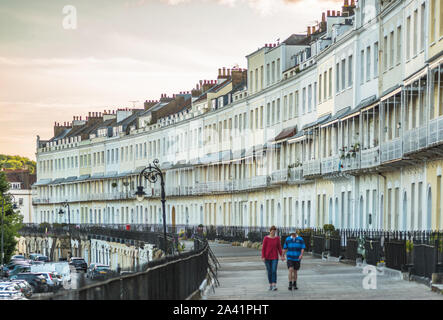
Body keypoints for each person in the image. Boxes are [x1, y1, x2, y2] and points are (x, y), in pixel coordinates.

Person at [261, 226, 284, 291]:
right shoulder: (266, 238)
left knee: (274, 271)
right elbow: (263, 249)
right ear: (270, 231)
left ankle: (274, 285)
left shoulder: (277, 238)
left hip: (274, 257)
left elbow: (279, 248)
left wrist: (282, 256)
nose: (273, 232)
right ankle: (270, 284)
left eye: (274, 231)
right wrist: (263, 257)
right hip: (267, 257)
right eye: (272, 231)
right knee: (269, 271)